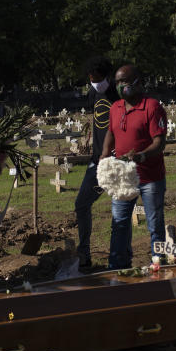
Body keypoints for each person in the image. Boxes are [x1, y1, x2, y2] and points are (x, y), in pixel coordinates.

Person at [100, 64, 167, 270]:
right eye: (118, 82)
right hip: (123, 178)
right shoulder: (115, 107)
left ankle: (159, 262)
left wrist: (142, 155)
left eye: (125, 81)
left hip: (150, 177)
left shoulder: (152, 107)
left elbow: (160, 141)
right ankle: (118, 264)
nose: (121, 86)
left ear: (138, 81)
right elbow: (111, 132)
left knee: (154, 224)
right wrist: (104, 154)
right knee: (119, 223)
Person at [75, 56, 119, 268]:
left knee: (119, 211)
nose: (94, 82)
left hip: (117, 161)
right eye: (91, 79)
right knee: (81, 204)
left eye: (97, 78)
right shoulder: (93, 92)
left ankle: (119, 256)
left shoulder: (116, 94)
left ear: (107, 76)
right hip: (96, 161)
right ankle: (84, 253)